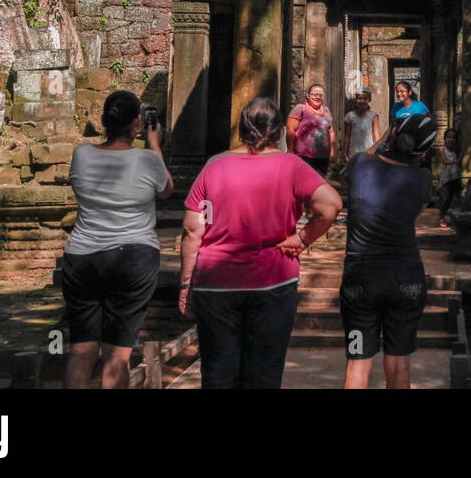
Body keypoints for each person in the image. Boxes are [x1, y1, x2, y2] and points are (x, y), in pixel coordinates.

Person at [180, 97, 342, 389]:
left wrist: (185, 286)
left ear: (241, 129)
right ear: (280, 131)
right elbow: (330, 205)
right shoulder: (292, 166)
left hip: (216, 281)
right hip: (273, 280)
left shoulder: (215, 166)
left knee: (217, 373)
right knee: (264, 373)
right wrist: (303, 238)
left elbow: (194, 230)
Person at [61, 90, 173, 389]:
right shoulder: (149, 160)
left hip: (82, 256)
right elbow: (165, 190)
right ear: (139, 122)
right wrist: (153, 145)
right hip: (133, 258)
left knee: (81, 350)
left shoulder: (81, 153)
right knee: (117, 355)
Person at [338, 111, 437, 388]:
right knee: (399, 360)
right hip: (405, 279)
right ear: (422, 151)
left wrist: (384, 137)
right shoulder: (423, 180)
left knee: (357, 362)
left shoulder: (360, 165)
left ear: (392, 134)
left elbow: (357, 166)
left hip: (360, 279)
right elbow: (417, 210)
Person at [286, 83, 335, 175]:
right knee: (304, 182)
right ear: (308, 95)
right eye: (314, 94)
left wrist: (332, 150)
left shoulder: (326, 110)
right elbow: (290, 129)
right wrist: (290, 149)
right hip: (304, 155)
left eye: (320, 95)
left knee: (319, 183)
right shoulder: (300, 109)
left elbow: (330, 131)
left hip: (323, 156)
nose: (317, 97)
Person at [342, 88, 380, 163]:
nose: (362, 101)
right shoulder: (350, 116)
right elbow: (347, 135)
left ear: (369, 100)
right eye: (359, 98)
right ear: (356, 100)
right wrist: (345, 152)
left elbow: (376, 135)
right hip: (353, 153)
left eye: (365, 99)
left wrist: (377, 151)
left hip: (369, 152)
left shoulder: (373, 116)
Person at [436, 128, 461, 228]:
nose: (451, 139)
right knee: (444, 198)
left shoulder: (456, 150)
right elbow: (445, 161)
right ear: (444, 138)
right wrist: (457, 161)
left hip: (455, 177)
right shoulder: (442, 149)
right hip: (446, 178)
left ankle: (449, 217)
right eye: (448, 137)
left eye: (453, 138)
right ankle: (441, 218)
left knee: (451, 198)